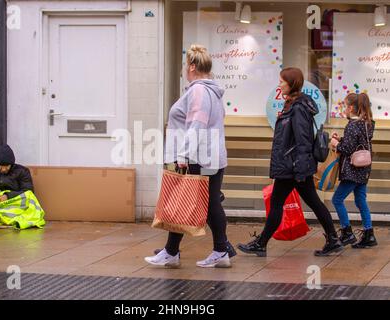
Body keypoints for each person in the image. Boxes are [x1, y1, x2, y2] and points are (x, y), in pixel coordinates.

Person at [144, 44, 235, 268]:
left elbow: (197, 124)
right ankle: (210, 251)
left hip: (198, 157)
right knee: (209, 204)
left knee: (184, 201)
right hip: (211, 156)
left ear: (192, 67)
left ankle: (176, 252)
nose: (185, 70)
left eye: (186, 66)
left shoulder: (198, 90)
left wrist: (183, 155)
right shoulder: (212, 91)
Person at [237, 67, 343, 257]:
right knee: (309, 203)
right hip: (293, 166)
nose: (279, 85)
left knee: (282, 204)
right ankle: (333, 239)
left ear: (291, 83)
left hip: (294, 167)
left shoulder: (299, 108)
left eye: (281, 81)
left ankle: (261, 244)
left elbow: (303, 140)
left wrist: (301, 170)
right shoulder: (292, 105)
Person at [330, 93, 377, 248]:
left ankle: (347, 232)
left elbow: (347, 148)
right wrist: (341, 140)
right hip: (364, 169)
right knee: (360, 200)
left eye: (344, 106)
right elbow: (358, 143)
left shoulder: (352, 125)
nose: (343, 109)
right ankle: (369, 234)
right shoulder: (367, 123)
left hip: (352, 170)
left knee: (337, 199)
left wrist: (336, 143)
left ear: (350, 108)